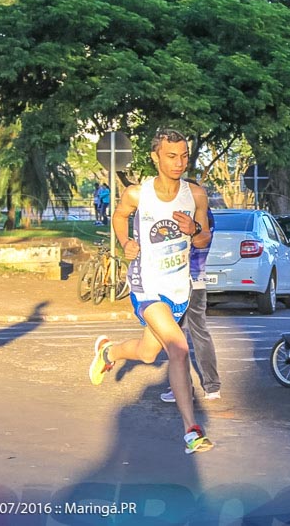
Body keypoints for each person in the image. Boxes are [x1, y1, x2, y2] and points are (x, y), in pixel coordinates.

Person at [89, 128, 215, 454]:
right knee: (179, 348)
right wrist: (126, 243)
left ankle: (109, 353)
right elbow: (119, 216)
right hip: (147, 285)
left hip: (178, 289)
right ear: (155, 157)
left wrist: (195, 229)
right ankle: (192, 430)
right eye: (172, 156)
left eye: (184, 156)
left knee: (148, 353)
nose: (179, 162)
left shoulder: (196, 195)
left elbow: (204, 240)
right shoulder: (137, 194)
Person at [161, 206, 220, 402]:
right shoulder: (206, 217)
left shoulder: (191, 218)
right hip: (197, 281)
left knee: (177, 337)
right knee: (199, 333)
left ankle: (185, 387)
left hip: (182, 282)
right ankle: (211, 387)